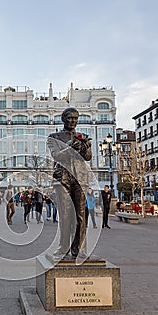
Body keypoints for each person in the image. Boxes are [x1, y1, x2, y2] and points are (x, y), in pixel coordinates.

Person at [47, 107, 92, 258]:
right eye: (70, 118)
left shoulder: (83, 137)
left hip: (80, 178)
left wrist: (85, 147)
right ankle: (63, 247)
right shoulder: (54, 137)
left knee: (81, 215)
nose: (73, 121)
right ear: (63, 119)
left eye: (75, 118)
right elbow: (56, 156)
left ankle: (79, 248)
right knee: (65, 215)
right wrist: (71, 148)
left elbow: (87, 157)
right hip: (63, 178)